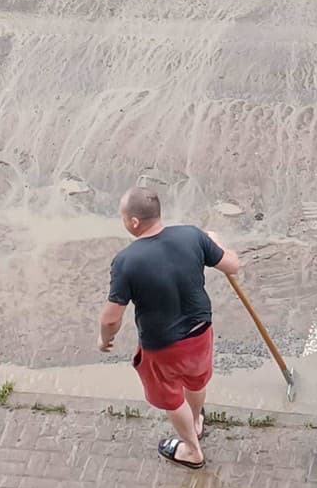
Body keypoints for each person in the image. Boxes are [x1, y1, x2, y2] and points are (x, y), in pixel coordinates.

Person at [98, 187, 240, 469]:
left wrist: (104, 340)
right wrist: (217, 243)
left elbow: (111, 318)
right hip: (201, 331)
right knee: (196, 380)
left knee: (173, 399)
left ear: (134, 222)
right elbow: (232, 265)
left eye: (123, 217)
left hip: (163, 346)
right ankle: (197, 421)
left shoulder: (126, 261)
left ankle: (192, 450)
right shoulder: (192, 235)